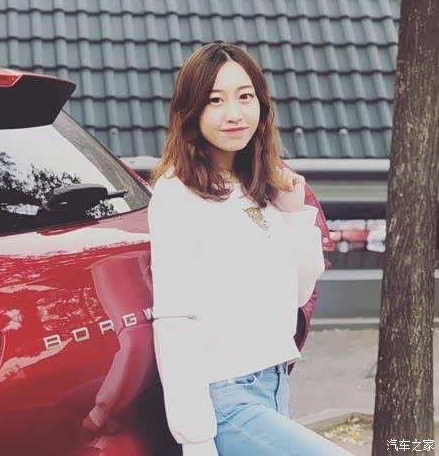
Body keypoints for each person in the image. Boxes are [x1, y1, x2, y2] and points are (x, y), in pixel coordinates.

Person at [147, 41, 353, 456]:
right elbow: (174, 319)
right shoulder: (177, 195)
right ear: (191, 111)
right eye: (215, 100)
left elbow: (297, 294)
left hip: (273, 384)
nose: (234, 114)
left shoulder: (258, 187)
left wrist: (293, 214)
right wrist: (196, 440)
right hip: (224, 398)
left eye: (245, 97)